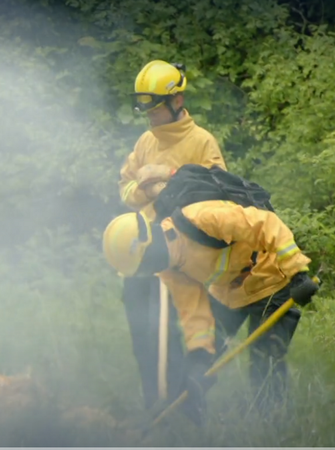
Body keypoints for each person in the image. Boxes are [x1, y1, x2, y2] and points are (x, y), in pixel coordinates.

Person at [102, 199, 319, 419]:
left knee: (265, 356)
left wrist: (298, 272)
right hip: (229, 292)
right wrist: (200, 354)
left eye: (144, 265)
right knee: (194, 371)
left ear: (149, 244)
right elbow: (194, 310)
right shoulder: (169, 269)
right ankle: (189, 422)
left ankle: (273, 422)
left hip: (272, 277)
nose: (148, 272)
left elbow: (265, 223)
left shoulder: (201, 219)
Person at [117, 60, 228, 414]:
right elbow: (125, 186)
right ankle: (155, 407)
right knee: (144, 338)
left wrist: (172, 180)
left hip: (181, 258)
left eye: (154, 108)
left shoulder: (201, 141)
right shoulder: (145, 141)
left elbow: (218, 189)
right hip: (140, 256)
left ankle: (186, 414)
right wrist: (144, 192)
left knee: (182, 337)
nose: (148, 116)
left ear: (177, 101)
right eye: (144, 108)